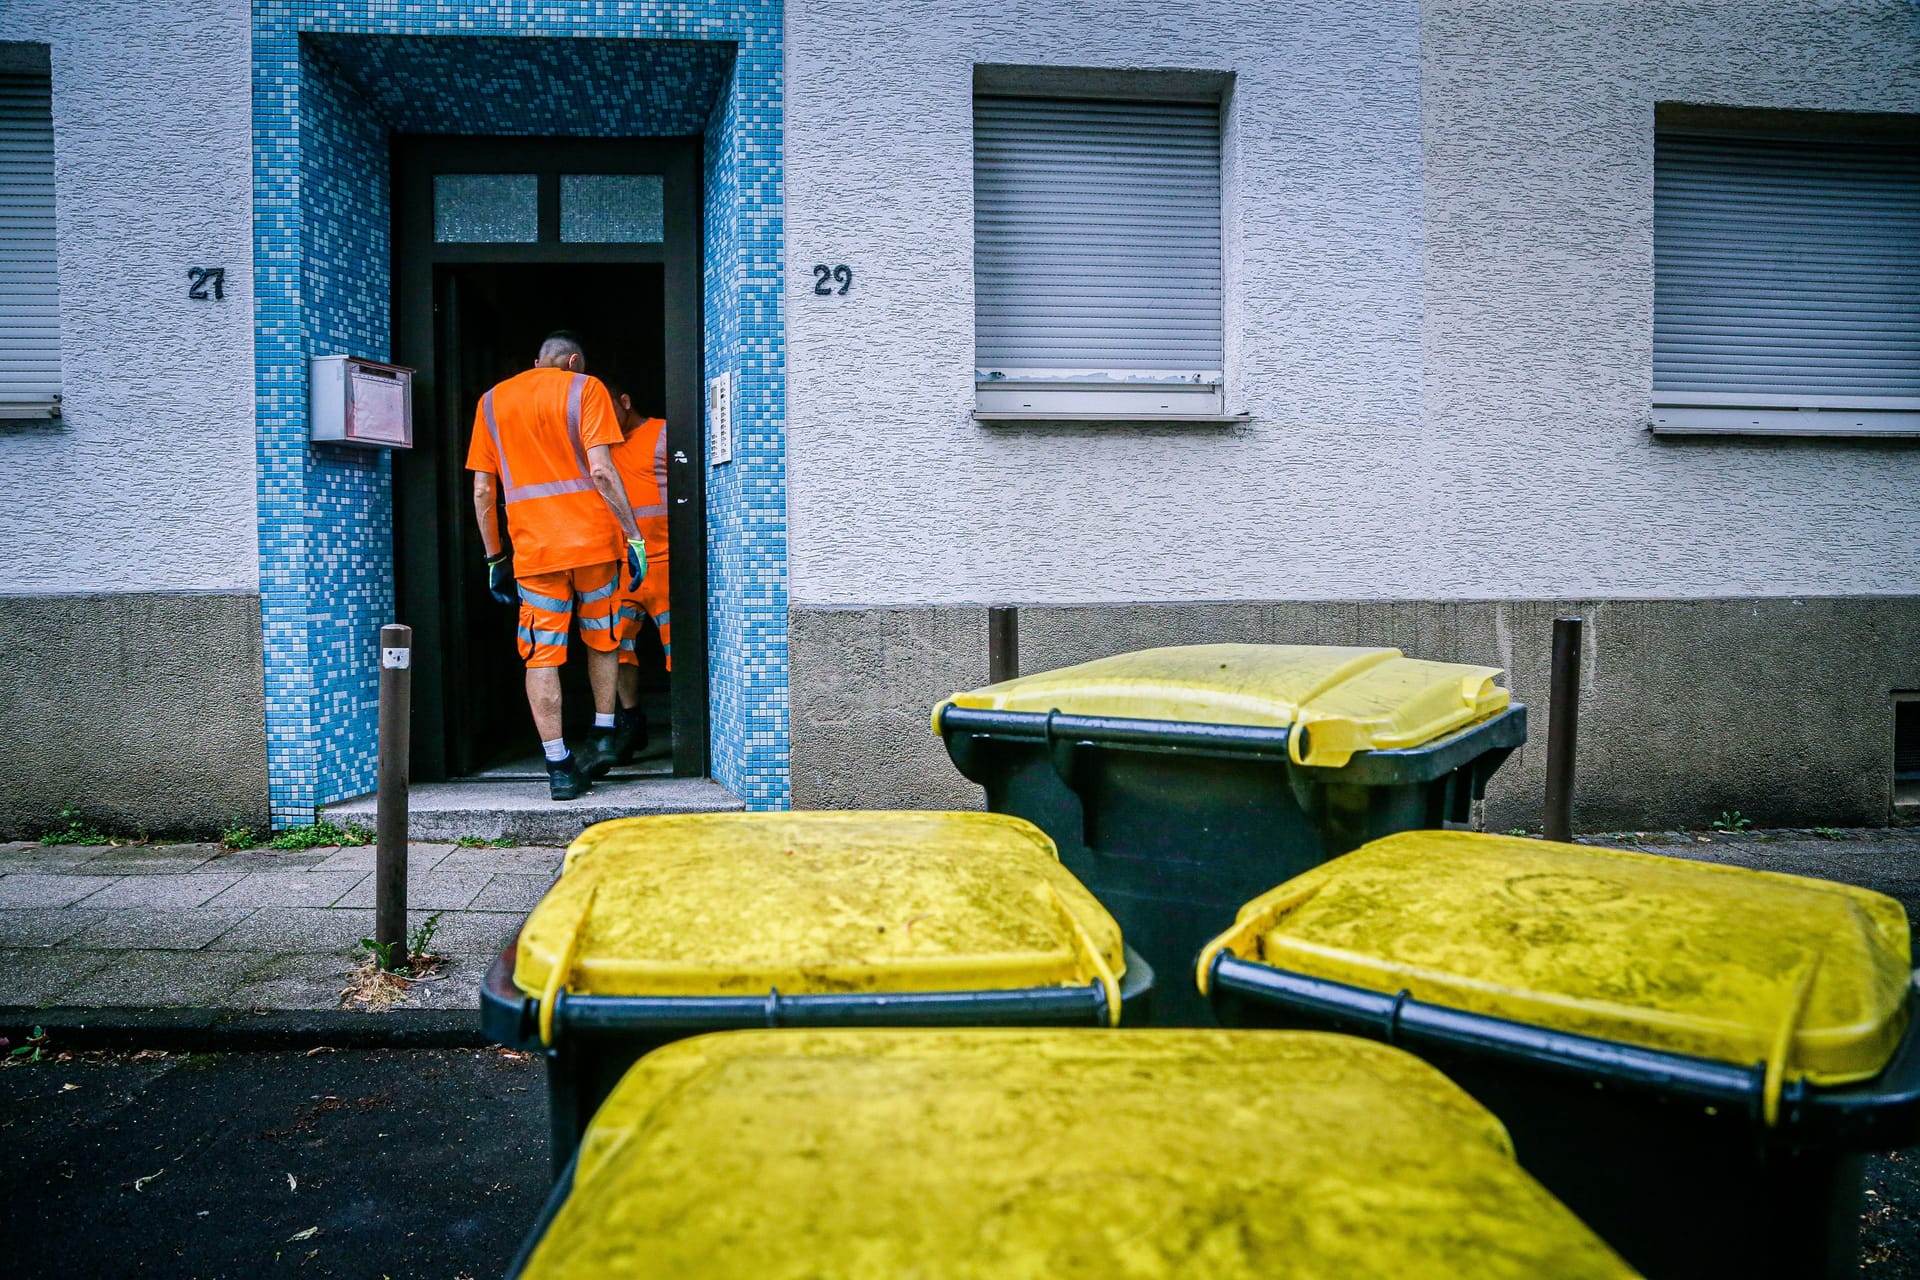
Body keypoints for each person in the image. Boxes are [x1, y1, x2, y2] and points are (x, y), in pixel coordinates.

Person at [466, 332, 649, 800]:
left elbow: (484, 492)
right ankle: (605, 733)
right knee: (603, 636)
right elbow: (604, 470)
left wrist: (494, 557)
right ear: (572, 361)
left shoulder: (490, 403)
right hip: (593, 545)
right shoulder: (584, 388)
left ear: (535, 362)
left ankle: (559, 767)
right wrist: (633, 535)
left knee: (542, 654)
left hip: (535, 553)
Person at [591, 379, 672, 768]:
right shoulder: (597, 448)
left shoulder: (663, 432)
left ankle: (687, 731)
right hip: (621, 565)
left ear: (625, 400)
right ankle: (631, 722)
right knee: (617, 646)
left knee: (678, 650)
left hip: (667, 563)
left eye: (609, 408)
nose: (603, 417)